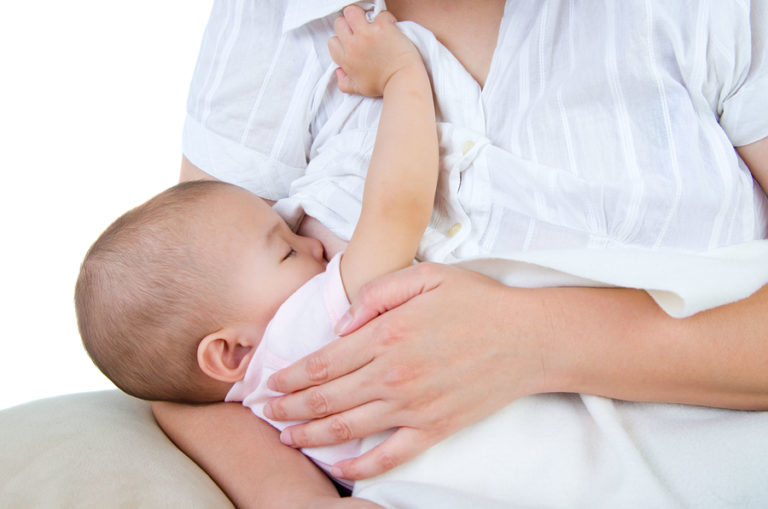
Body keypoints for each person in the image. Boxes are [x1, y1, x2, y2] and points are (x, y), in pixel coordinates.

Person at [153, 1, 768, 507]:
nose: (307, 243)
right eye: (287, 247)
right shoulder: (268, 20)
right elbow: (170, 348)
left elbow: (397, 208)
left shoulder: (713, 17)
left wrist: (538, 338)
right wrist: (296, 500)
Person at [76, 7, 434, 503]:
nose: (311, 244)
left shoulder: (258, 401)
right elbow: (397, 212)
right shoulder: (305, 335)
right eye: (287, 251)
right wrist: (402, 77)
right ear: (231, 351)